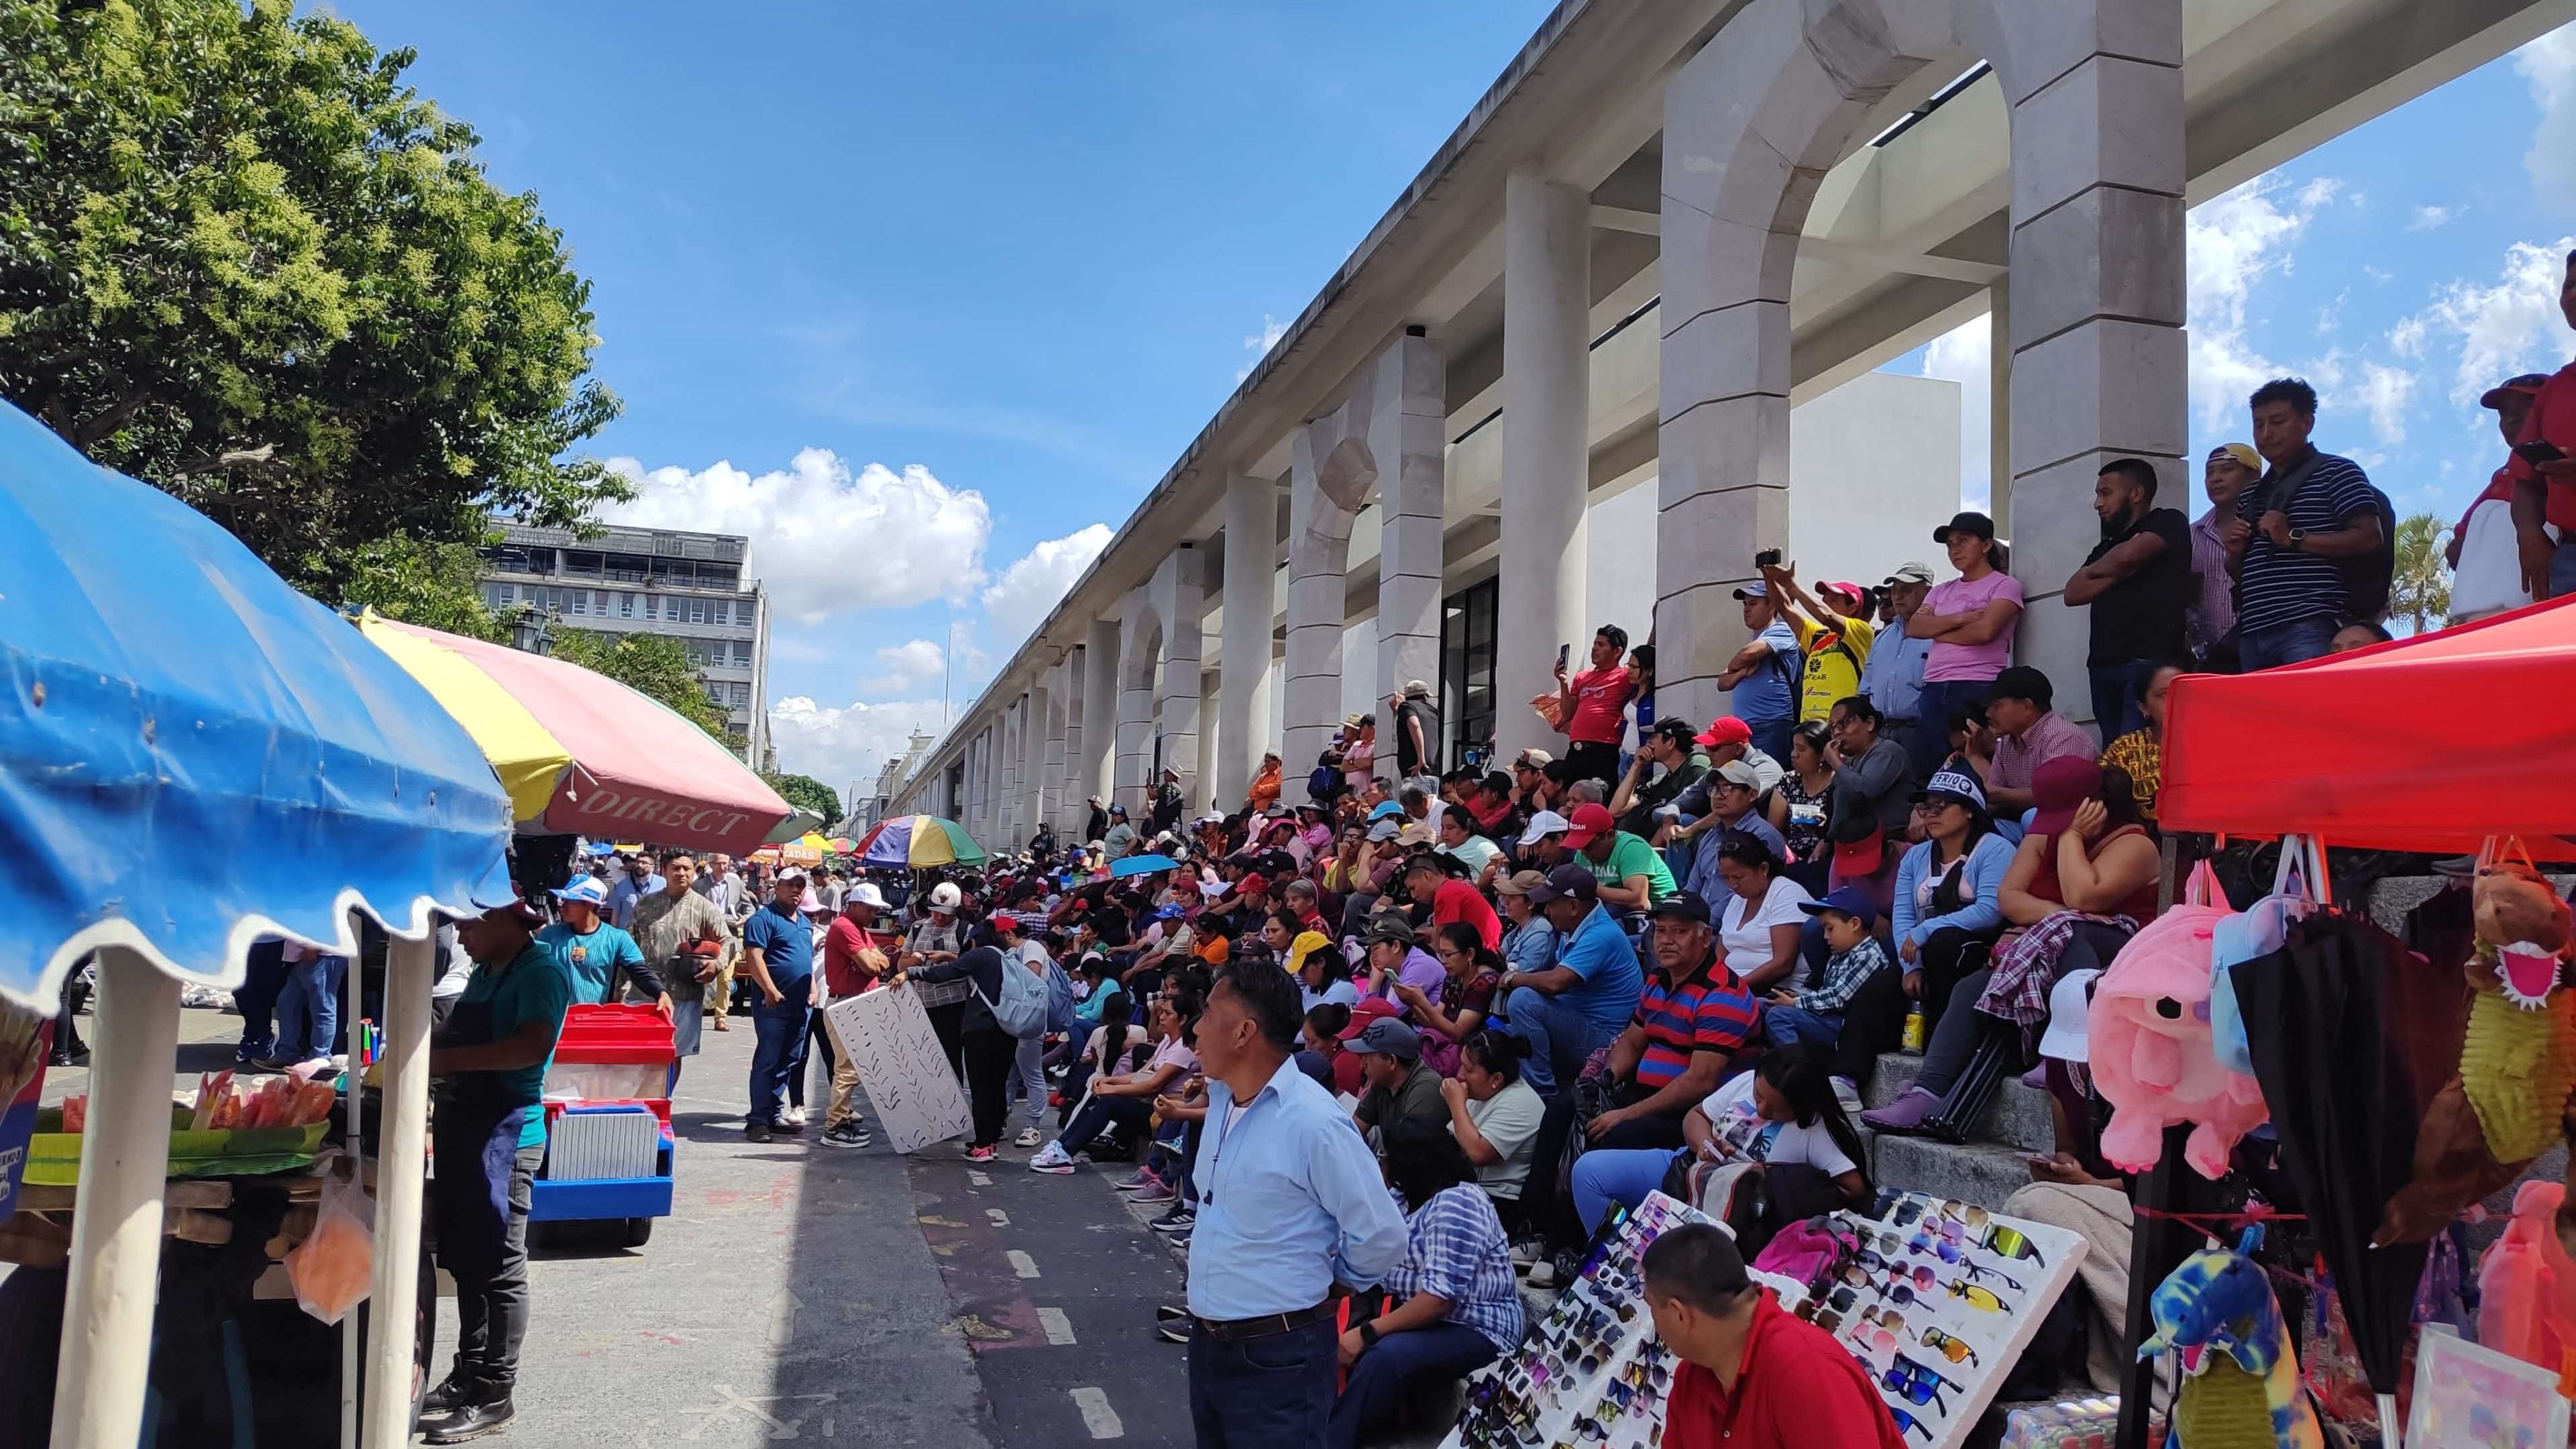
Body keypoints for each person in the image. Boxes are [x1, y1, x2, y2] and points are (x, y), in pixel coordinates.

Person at [1868, 758, 2157, 1135]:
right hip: (2044, 947)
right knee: (1970, 987)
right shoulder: (2043, 833)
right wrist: (2057, 917)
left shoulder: (2135, 844)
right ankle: (1928, 1091)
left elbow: (2085, 896)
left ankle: (2059, 1049)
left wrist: (2070, 841)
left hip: (2120, 954)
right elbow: (2009, 898)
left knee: (2075, 932)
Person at [1181, 963, 1407, 1446]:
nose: (1195, 1027)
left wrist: (1338, 1283)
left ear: (1244, 1032)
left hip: (1279, 1355)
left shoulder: (1313, 1121)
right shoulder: (1222, 1099)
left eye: (1207, 1013)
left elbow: (1383, 1233)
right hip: (1208, 1344)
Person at [420, 896, 577, 1444]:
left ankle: (496, 1392)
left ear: (498, 919)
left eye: (465, 924)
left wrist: (440, 1062)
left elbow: (527, 1050)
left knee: (502, 1265)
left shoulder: (541, 973)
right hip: (467, 1126)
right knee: (467, 1257)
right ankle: (468, 1373)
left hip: (508, 1134)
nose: (459, 937)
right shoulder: (487, 970)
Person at [1327, 1121, 1522, 1449]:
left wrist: (1366, 1333)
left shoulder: (1459, 1203)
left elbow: (1439, 1300)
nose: (1380, 1162)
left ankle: (1330, 1441)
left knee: (1384, 1356)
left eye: (1386, 1156)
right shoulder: (1404, 1196)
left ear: (1411, 1163)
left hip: (1476, 1327)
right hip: (1424, 1316)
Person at [1643, 1224, 1903, 1448]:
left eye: (1652, 1305)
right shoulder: (1692, 1379)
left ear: (1679, 1314)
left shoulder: (1803, 1368)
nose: (1653, 1318)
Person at [1570, 1046, 1871, 1235]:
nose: (1762, 1110)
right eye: (1759, 1097)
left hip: (1732, 1207)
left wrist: (1769, 1176)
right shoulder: (1747, 1079)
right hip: (1688, 1167)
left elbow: (1852, 1189)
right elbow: (1696, 1115)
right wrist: (1705, 1144)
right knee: (1589, 1173)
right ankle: (1620, 1262)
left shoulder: (1813, 1129)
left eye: (1775, 1108)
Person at [2227, 376, 2392, 669]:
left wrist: (2294, 537)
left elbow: (2369, 536)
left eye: (2277, 422)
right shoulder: (2251, 494)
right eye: (2258, 424)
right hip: (2254, 628)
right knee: (2262, 716)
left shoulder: (2338, 471)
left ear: (2307, 423)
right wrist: (2235, 552)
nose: (2266, 433)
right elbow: (2240, 571)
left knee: (2307, 709)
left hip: (2310, 623)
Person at [1585, 891, 1759, 1151]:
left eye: (1679, 932)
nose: (1665, 941)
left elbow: (1701, 1081)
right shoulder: (1657, 980)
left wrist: (1626, 1113)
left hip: (1693, 1111)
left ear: (1705, 938)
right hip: (1644, 1095)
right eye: (1660, 931)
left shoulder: (1724, 994)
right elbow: (1632, 1042)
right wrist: (1606, 1081)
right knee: (1568, 1108)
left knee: (1616, 1135)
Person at [2064, 457, 2191, 737]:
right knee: (2115, 760)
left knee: (2142, 754)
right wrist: (2121, 567)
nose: (2098, 503)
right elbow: (2072, 593)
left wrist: (2111, 566)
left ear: (2136, 494)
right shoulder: (2105, 548)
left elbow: (2131, 555)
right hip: (2103, 667)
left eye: (2106, 492)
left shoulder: (2168, 521)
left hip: (2149, 664)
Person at [1497, 865, 1644, 1095]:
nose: (1547, 911)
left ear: (1574, 906)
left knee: (1523, 999)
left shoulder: (1600, 935)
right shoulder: (1574, 926)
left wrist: (1513, 979)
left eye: (1552, 904)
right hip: (1579, 1021)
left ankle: (1542, 1093)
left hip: (1604, 1039)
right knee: (1496, 1041)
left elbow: (1556, 982)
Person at [1908, 510, 2023, 778]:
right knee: (1933, 765)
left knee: (1974, 763)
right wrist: (1960, 618)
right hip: (1934, 685)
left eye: (1963, 541)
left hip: (1977, 684)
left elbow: (1985, 632)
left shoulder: (2005, 586)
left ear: (1986, 545)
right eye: (1950, 544)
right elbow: (1915, 627)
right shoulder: (1941, 590)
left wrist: (1938, 630)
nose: (1955, 549)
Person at [1030, 993, 1197, 1170]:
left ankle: (1066, 1154)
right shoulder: (1167, 1041)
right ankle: (1062, 1145)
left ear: (1182, 1019)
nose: (1161, 1017)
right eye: (1161, 1012)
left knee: (1109, 1101)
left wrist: (1113, 1090)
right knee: (1101, 1093)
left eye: (1168, 1014)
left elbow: (1154, 1084)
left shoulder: (1183, 1049)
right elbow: (1142, 1074)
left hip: (1163, 1112)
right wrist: (1111, 1081)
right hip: (1150, 1102)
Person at [2451, 373, 2551, 623]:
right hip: (2489, 611)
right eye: (2504, 413)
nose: (2512, 419)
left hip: (2551, 603)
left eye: (2527, 406)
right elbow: (2456, 549)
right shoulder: (2503, 476)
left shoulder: (2561, 461)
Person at [627, 853, 728, 1092]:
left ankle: (663, 1104)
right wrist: (621, 988)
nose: (681, 873)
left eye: (687, 869)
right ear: (663, 870)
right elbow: (628, 945)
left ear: (694, 872)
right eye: (676, 868)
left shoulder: (704, 907)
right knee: (639, 1055)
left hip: (685, 995)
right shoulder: (645, 904)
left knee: (674, 1054)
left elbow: (728, 940)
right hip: (644, 995)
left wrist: (717, 965)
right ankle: (637, 1106)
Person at [2509, 250, 2576, 598]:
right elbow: (2525, 480)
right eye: (2568, 286)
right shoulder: (2555, 389)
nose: (2572, 295)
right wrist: (2530, 534)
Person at [739, 869, 816, 1143]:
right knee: (768, 1060)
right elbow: (754, 957)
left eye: (800, 885)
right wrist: (769, 989)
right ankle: (757, 1120)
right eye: (790, 885)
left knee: (789, 1059)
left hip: (800, 1004)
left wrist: (813, 987)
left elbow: (806, 958)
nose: (796, 890)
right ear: (777, 887)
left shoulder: (805, 922)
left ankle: (773, 1113)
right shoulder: (763, 919)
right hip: (774, 1004)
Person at [1763, 885, 1890, 1051]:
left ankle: (1794, 1067)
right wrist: (1797, 997)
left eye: (1830, 928)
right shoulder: (1841, 953)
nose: (1825, 936)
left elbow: (1838, 999)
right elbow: (1827, 992)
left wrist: (1796, 1002)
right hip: (1828, 1018)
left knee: (1779, 1016)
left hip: (1844, 1027)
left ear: (1854, 924)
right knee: (1763, 1005)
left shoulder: (1868, 956)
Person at [813, 883, 890, 1149]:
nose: (874, 915)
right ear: (855, 905)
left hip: (852, 1003)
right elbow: (872, 966)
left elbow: (884, 962)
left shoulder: (857, 927)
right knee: (847, 1069)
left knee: (851, 1067)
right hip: (845, 1003)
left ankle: (842, 1116)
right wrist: (871, 959)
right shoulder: (845, 927)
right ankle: (835, 1126)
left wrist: (872, 959)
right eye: (870, 909)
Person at [1756, 561, 1878, 729]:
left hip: (1842, 725)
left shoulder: (1861, 632)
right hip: (1811, 725)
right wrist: (1769, 577)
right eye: (1824, 600)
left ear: (1853, 608)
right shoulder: (1818, 636)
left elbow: (1826, 616)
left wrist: (1791, 585)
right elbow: (1785, 608)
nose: (1826, 604)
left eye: (1834, 601)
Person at [1440, 1030, 1546, 1212]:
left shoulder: (1521, 1103)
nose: (1460, 1075)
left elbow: (1478, 1153)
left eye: (1468, 1069)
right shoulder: (1482, 1090)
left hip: (1495, 1202)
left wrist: (1456, 1104)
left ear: (1496, 1078)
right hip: (1464, 1188)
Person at [1978, 664, 2097, 823]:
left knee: (2032, 818)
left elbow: (2056, 796)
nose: (1988, 714)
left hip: (2075, 822)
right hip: (2024, 822)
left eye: (1997, 706)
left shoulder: (2062, 736)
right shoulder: (2006, 741)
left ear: (2027, 706)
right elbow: (1994, 798)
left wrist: (1995, 793)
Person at [1821, 695, 1911, 896]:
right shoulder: (1851, 762)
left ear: (1869, 723)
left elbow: (1865, 790)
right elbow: (1841, 801)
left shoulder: (1887, 751)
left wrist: (1835, 763)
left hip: (1888, 846)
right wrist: (1828, 840)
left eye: (1843, 725)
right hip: (1854, 844)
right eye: (1833, 727)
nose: (1836, 733)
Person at [539, 874, 663, 1011]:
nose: (563, 906)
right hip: (554, 1019)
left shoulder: (617, 938)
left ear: (590, 904)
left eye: (570, 901)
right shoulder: (549, 935)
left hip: (594, 1020)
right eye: (563, 901)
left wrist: (660, 992)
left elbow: (640, 972)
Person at [1678, 761, 1792, 908]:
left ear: (1752, 795)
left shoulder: (1763, 837)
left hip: (1736, 925)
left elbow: (1744, 898)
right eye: (1714, 789)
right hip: (1700, 925)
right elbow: (1693, 887)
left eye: (1727, 788)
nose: (1718, 796)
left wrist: (1701, 924)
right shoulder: (1711, 836)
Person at [1397, 920, 1502, 1075]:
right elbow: (1435, 1022)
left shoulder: (1484, 983)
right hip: (1452, 1049)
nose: (1443, 961)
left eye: (1449, 955)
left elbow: (1458, 1032)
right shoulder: (1454, 977)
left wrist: (1421, 1001)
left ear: (1470, 954)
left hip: (1477, 1057)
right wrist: (1412, 1003)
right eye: (1441, 954)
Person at [1711, 834, 1811, 994]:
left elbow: (1783, 963)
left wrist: (1735, 988)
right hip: (1731, 990)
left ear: (1763, 869)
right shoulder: (1736, 901)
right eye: (1727, 878)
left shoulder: (1786, 893)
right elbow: (1719, 958)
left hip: (1775, 992)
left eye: (1738, 877)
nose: (1733, 885)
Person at [2190, 444, 2259, 667]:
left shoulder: (2268, 527)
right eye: (2210, 473)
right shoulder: (2192, 535)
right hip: (2210, 658)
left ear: (2254, 476)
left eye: (2227, 470)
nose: (2215, 479)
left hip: (2260, 645)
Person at [1715, 582, 1801, 763]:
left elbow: (1744, 656)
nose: (1746, 609)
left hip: (1772, 723)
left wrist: (1737, 666)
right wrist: (1741, 674)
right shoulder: (1756, 639)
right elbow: (1722, 684)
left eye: (1753, 604)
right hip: (1746, 729)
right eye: (1745, 604)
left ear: (1771, 605)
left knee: (1768, 783)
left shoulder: (1781, 631)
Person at [1862, 561, 1935, 765]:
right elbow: (1866, 687)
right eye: (1895, 590)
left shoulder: (1938, 634)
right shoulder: (1884, 637)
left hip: (1920, 732)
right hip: (1881, 732)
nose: (1898, 596)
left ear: (1928, 591)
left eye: (1907, 590)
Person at [2095, 661, 2186, 826]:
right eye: (2163, 695)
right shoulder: (2125, 750)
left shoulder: (2221, 743)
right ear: (2144, 708)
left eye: (2183, 691)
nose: (2175, 700)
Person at [1550, 625, 1639, 786]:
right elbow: (1567, 713)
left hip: (1604, 748)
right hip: (1577, 749)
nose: (1594, 648)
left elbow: (1645, 662)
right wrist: (1563, 682)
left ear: (1617, 652)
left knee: (1598, 796)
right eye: (1594, 644)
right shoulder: (1581, 677)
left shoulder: (1624, 676)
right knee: (1571, 794)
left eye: (1601, 645)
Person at [902, 881, 973, 1081]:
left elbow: (973, 966)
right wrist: (914, 960)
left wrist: (949, 957)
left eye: (946, 913)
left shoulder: (966, 931)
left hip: (952, 1006)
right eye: (936, 912)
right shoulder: (917, 928)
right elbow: (901, 965)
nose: (940, 917)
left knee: (950, 1059)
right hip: (920, 1004)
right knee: (922, 1058)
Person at [1348, 1016, 1447, 1142]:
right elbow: (1353, 1133)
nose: (1362, 1065)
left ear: (1392, 1062)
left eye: (1367, 1058)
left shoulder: (1426, 1089)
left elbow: (1410, 1154)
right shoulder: (1383, 1082)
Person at [1611, 716, 1711, 841]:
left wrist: (1649, 858)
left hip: (1659, 853)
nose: (1648, 741)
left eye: (1653, 737)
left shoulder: (1696, 764)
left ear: (1671, 743)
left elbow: (1676, 818)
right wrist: (1637, 766)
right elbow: (1617, 810)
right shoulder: (1660, 780)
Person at [1564, 800, 1675, 911]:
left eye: (1588, 845)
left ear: (1610, 835)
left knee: (1611, 910)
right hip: (1620, 911)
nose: (1583, 851)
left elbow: (1639, 901)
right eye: (1579, 845)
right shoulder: (1583, 853)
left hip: (1660, 913)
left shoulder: (1632, 848)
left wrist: (1591, 889)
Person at [1766, 721, 1833, 891]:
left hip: (1826, 860)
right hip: (1791, 857)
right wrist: (1788, 853)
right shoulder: (1789, 781)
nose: (1794, 755)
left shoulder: (1838, 783)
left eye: (1802, 750)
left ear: (1823, 754)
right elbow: (1774, 828)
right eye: (1793, 749)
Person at [1434, 805, 1503, 885]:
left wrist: (1476, 891)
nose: (1444, 833)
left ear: (1466, 829)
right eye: (1443, 828)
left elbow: (1494, 868)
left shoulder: (1481, 846)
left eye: (1450, 828)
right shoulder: (1440, 849)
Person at [1391, 678, 1443, 783]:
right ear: (1425, 696)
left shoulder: (1406, 706)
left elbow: (1414, 724)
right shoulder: (1433, 711)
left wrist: (1421, 759)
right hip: (1433, 773)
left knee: (1414, 799)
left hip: (1415, 771)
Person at [602, 852, 662, 930]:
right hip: (627, 937)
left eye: (644, 863)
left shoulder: (663, 884)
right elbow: (615, 914)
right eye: (638, 862)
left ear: (653, 867)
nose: (640, 865)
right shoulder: (622, 886)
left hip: (651, 937)